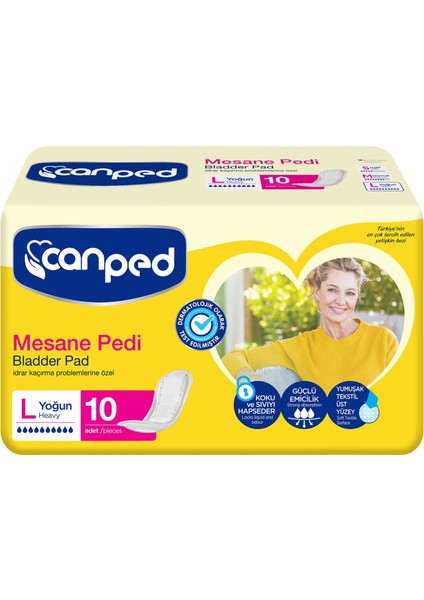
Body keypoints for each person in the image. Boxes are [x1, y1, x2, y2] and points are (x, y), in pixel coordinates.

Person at [222, 258, 398, 394]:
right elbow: (233, 358)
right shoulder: (300, 346)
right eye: (332, 290)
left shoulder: (383, 340)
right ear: (317, 291)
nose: (341, 301)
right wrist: (249, 378)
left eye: (350, 293)